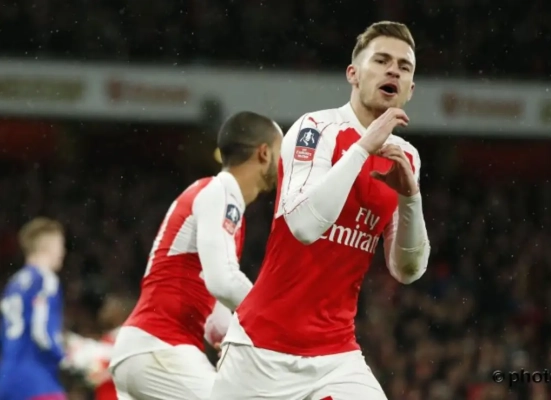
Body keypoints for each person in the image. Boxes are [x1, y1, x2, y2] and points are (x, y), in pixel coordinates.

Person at [210, 21, 431, 400]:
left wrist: (411, 198)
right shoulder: (315, 129)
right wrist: (362, 149)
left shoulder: (406, 157)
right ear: (353, 74)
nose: (393, 70)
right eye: (381, 60)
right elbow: (304, 226)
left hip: (335, 354)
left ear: (410, 89)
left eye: (404, 66)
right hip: (261, 349)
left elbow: (406, 270)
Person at [109, 111, 283, 400]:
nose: (284, 162)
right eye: (281, 151)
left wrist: (232, 337)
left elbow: (214, 314)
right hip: (159, 348)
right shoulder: (221, 193)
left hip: (145, 351)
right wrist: (281, 320)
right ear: (264, 153)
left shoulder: (217, 200)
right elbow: (224, 282)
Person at [0, 218, 68, 400]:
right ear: (48, 246)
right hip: (36, 380)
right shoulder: (45, 279)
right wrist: (66, 357)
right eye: (60, 245)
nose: (63, 252)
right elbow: (42, 333)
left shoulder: (14, 283)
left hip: (7, 377)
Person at [62, 294, 136, 400]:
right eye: (105, 306)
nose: (103, 310)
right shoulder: (107, 339)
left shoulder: (128, 338)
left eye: (110, 306)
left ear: (122, 312)